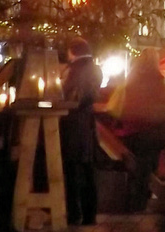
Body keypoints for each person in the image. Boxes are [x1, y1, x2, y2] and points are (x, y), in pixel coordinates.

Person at [109, 48, 165, 212]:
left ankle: (131, 202)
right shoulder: (157, 81)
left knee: (134, 168)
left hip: (132, 130)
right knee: (146, 169)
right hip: (151, 130)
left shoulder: (133, 79)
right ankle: (139, 203)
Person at [60, 36, 103, 227]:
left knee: (73, 170)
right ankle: (89, 214)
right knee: (86, 170)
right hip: (86, 125)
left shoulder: (76, 70)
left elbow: (74, 95)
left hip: (73, 125)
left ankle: (75, 213)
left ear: (73, 51)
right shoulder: (94, 68)